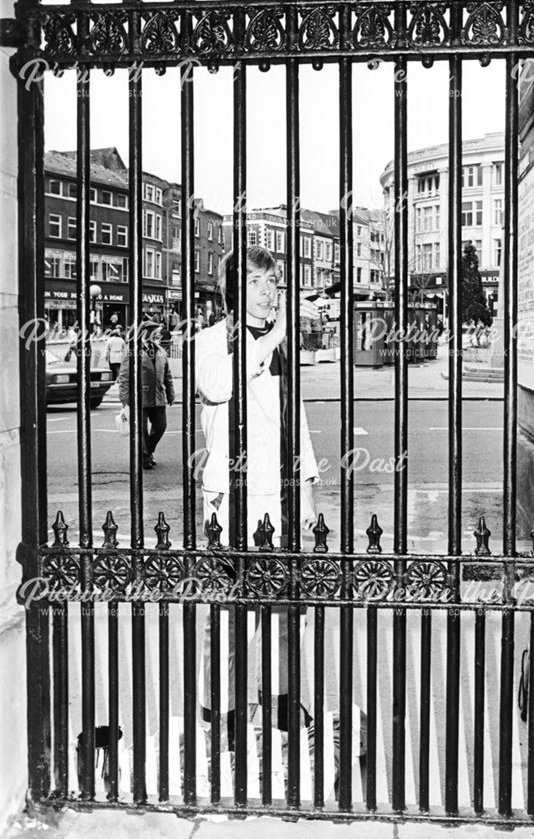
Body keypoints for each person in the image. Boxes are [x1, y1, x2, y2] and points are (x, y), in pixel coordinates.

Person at [195, 245, 320, 745]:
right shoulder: (209, 340)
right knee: (229, 618)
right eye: (257, 282)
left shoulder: (281, 345)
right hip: (231, 499)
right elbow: (217, 385)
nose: (270, 292)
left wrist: (308, 492)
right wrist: (268, 344)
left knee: (286, 612)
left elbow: (298, 420)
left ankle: (285, 709)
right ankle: (221, 719)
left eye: (274, 282)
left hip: (281, 495)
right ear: (233, 290)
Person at [119, 321, 176, 469]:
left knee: (161, 426)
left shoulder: (160, 351)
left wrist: (171, 393)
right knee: (142, 430)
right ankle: (144, 457)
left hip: (158, 395)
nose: (157, 334)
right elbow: (124, 376)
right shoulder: (132, 351)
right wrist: (125, 399)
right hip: (140, 397)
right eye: (154, 331)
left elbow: (167, 374)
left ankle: (147, 451)